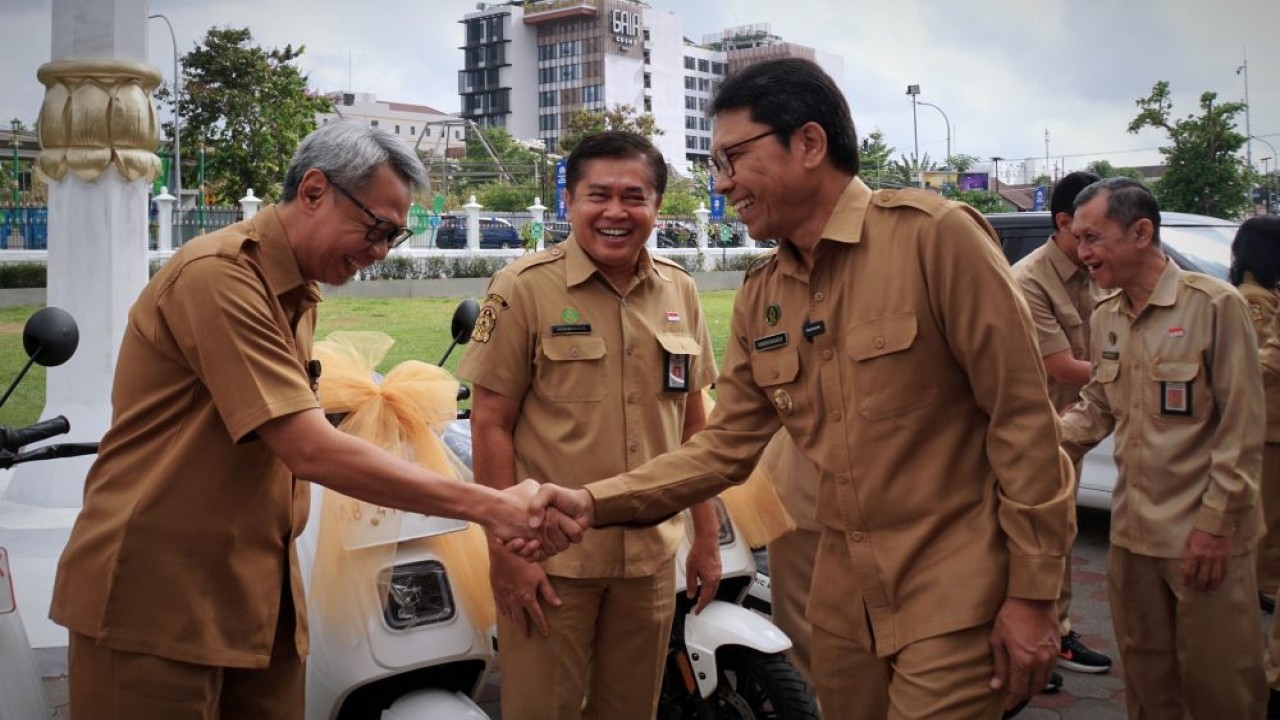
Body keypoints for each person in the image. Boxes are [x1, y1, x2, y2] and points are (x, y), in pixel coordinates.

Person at [525, 58, 1076, 718]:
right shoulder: (764, 294)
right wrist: (592, 502)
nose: (722, 184)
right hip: (841, 611)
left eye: (733, 159)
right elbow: (723, 449)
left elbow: (1023, 420)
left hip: (954, 597)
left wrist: (1035, 595)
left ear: (809, 143)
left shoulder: (936, 240)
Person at [48, 121, 560, 720]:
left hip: (257, 590)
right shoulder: (220, 277)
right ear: (314, 190)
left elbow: (281, 416)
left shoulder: (295, 290)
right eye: (376, 230)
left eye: (395, 237)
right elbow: (309, 450)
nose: (379, 253)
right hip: (157, 594)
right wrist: (489, 505)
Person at [457, 130, 723, 720]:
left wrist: (705, 537)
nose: (615, 212)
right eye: (597, 195)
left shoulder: (679, 287)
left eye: (635, 196)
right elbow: (490, 424)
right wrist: (507, 555)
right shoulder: (522, 287)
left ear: (657, 206)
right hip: (551, 563)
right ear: (569, 202)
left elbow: (693, 425)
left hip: (649, 560)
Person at [1059, 177, 1266, 718]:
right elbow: (1095, 411)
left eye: (1092, 238)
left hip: (1202, 541)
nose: (1082, 253)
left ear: (1141, 232)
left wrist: (1216, 527)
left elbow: (1242, 431)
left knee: (1221, 688)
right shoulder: (1106, 316)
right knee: (1149, 686)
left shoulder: (1215, 306)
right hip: (1133, 539)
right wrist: (1030, 448)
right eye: (1078, 240)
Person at [1009, 170, 1113, 675]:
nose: (1097, 244)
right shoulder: (1029, 280)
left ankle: (1043, 641)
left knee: (1056, 535)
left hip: (1080, 423)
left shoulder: (1095, 270)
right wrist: (1143, 366)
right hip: (1042, 432)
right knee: (1045, 538)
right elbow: (1064, 367)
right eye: (1090, 231)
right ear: (1065, 221)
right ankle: (1053, 638)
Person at [1230, 215, 1280, 612]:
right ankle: (1261, 585)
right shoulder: (1256, 299)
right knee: (1269, 521)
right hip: (1269, 424)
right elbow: (1259, 364)